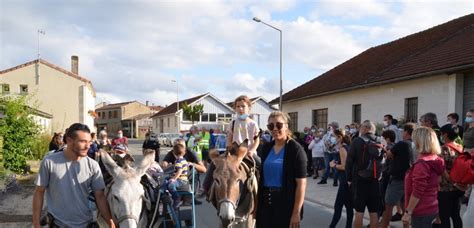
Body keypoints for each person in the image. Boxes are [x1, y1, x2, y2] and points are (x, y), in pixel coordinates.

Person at [32, 123, 115, 228]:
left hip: (86, 224)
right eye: (83, 141)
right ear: (69, 140)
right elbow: (39, 192)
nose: (88, 146)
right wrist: (36, 223)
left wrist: (110, 222)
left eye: (89, 142)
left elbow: (100, 197)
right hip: (57, 224)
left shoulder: (93, 165)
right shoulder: (50, 162)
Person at [200, 95, 260, 196]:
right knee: (215, 163)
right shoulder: (232, 123)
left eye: (243, 106)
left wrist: (253, 150)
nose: (240, 109)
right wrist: (228, 150)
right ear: (235, 108)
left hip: (248, 152)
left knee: (262, 166)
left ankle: (263, 192)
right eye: (238, 106)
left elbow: (256, 140)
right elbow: (229, 138)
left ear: (249, 108)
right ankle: (205, 188)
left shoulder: (253, 124)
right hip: (234, 152)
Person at [256, 111, 307, 228]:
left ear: (286, 126)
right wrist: (256, 207)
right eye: (270, 126)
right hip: (265, 205)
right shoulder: (266, 148)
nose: (274, 129)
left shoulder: (296, 150)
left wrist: (296, 213)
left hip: (286, 205)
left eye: (279, 125)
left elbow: (301, 184)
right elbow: (260, 179)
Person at [402, 127, 445, 228]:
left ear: (419, 141)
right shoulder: (436, 159)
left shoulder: (422, 164)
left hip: (421, 211)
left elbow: (417, 191)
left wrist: (408, 212)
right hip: (432, 207)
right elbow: (437, 183)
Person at [345, 120, 383, 228]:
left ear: (365, 128)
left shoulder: (357, 141)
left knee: (359, 212)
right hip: (375, 180)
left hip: (359, 180)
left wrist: (349, 179)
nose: (360, 129)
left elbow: (349, 162)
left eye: (361, 127)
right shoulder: (380, 140)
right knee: (374, 213)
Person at [381, 124, 415, 227]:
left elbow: (389, 154)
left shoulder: (401, 144)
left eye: (403, 131)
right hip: (409, 178)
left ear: (406, 132)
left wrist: (384, 149)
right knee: (405, 206)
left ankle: (384, 226)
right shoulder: (414, 144)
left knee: (388, 205)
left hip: (397, 179)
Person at [434, 124, 464, 228]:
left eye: (441, 134)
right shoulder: (460, 147)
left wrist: (451, 181)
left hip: (445, 188)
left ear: (445, 135)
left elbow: (441, 169)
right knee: (456, 215)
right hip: (459, 187)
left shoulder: (443, 149)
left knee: (444, 216)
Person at [162, 138, 207, 205]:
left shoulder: (191, 152)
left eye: (180, 147)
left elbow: (204, 169)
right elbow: (164, 164)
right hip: (177, 179)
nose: (178, 150)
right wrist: (166, 164)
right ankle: (165, 195)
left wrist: (192, 164)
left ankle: (190, 197)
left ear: (185, 148)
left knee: (194, 172)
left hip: (187, 178)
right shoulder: (172, 152)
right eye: (176, 147)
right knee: (166, 179)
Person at [329, 129, 353, 228]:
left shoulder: (343, 148)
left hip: (344, 181)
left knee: (338, 207)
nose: (333, 138)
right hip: (347, 181)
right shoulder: (347, 147)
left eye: (334, 136)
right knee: (349, 207)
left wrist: (333, 165)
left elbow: (344, 166)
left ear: (339, 137)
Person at [164, 143, 190, 209]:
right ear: (183, 153)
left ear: (174, 153)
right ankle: (165, 189)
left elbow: (179, 171)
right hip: (183, 179)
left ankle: (176, 198)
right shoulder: (184, 160)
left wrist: (174, 179)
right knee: (166, 179)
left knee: (171, 185)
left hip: (181, 181)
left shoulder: (178, 161)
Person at [319, 121, 340, 186]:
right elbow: (324, 140)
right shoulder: (328, 134)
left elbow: (339, 141)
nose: (330, 127)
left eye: (331, 126)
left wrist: (333, 145)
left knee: (335, 166)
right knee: (327, 166)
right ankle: (324, 180)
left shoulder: (338, 133)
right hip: (327, 152)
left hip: (335, 152)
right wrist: (327, 145)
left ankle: (335, 181)